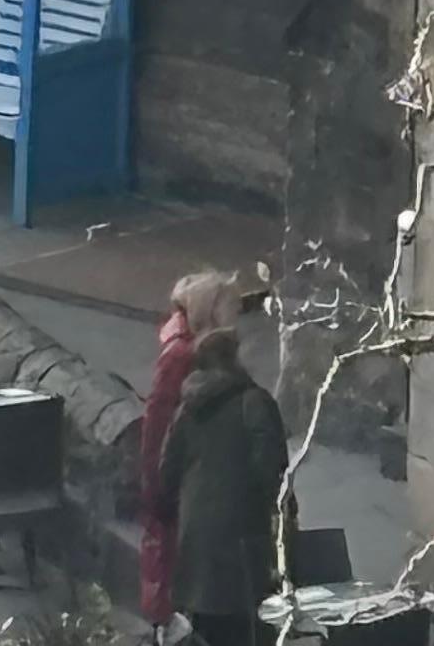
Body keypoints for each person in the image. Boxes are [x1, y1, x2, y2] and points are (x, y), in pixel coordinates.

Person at [154, 314, 292, 646]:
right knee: (244, 630)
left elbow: (167, 473)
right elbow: (272, 471)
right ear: (235, 359)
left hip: (196, 540)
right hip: (240, 541)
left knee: (205, 629)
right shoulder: (254, 402)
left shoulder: (186, 408)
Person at [140, 270, 238, 633]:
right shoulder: (182, 355)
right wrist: (156, 486)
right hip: (179, 481)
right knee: (174, 575)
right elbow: (158, 425)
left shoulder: (183, 348)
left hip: (182, 477)